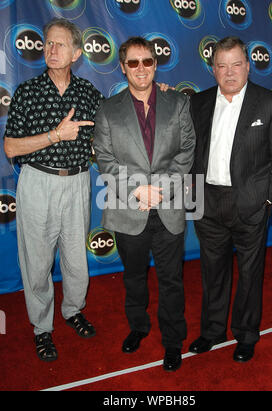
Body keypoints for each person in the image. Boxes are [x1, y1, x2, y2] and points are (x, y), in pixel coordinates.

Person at [3, 18, 104, 362]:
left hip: (77, 181)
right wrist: (54, 136)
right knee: (37, 261)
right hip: (37, 181)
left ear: (77, 53)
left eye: (60, 44)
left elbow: (110, 132)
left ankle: (73, 310)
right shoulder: (27, 92)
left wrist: (158, 94)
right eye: (48, 43)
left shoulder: (89, 94)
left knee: (76, 260)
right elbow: (11, 148)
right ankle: (42, 328)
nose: (51, 49)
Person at [93, 37, 195, 371]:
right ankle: (138, 327)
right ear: (122, 67)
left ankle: (172, 341)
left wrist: (161, 188)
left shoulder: (177, 102)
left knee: (171, 280)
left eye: (147, 61)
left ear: (155, 64)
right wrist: (138, 190)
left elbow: (187, 150)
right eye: (133, 62)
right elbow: (104, 159)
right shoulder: (108, 109)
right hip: (127, 208)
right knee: (134, 277)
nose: (141, 68)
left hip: (168, 207)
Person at [189, 36, 272, 362]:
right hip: (208, 203)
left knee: (250, 274)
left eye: (236, 64)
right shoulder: (199, 103)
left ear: (248, 66)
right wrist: (193, 198)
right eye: (222, 65)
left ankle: (246, 335)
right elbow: (190, 154)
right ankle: (213, 331)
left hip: (249, 204)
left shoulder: (270, 102)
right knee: (212, 271)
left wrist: (264, 202)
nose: (229, 72)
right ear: (213, 69)